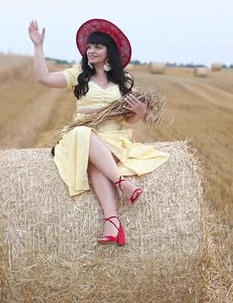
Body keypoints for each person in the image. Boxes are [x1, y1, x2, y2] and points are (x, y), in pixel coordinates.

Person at [28, 18, 170, 246]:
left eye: (98, 46)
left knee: (94, 160)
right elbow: (43, 78)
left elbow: (129, 119)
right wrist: (38, 46)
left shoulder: (125, 80)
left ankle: (112, 221)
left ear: (109, 51)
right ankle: (122, 183)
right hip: (81, 134)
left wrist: (140, 112)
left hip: (115, 137)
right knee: (84, 135)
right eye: (90, 46)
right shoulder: (78, 74)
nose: (91, 50)